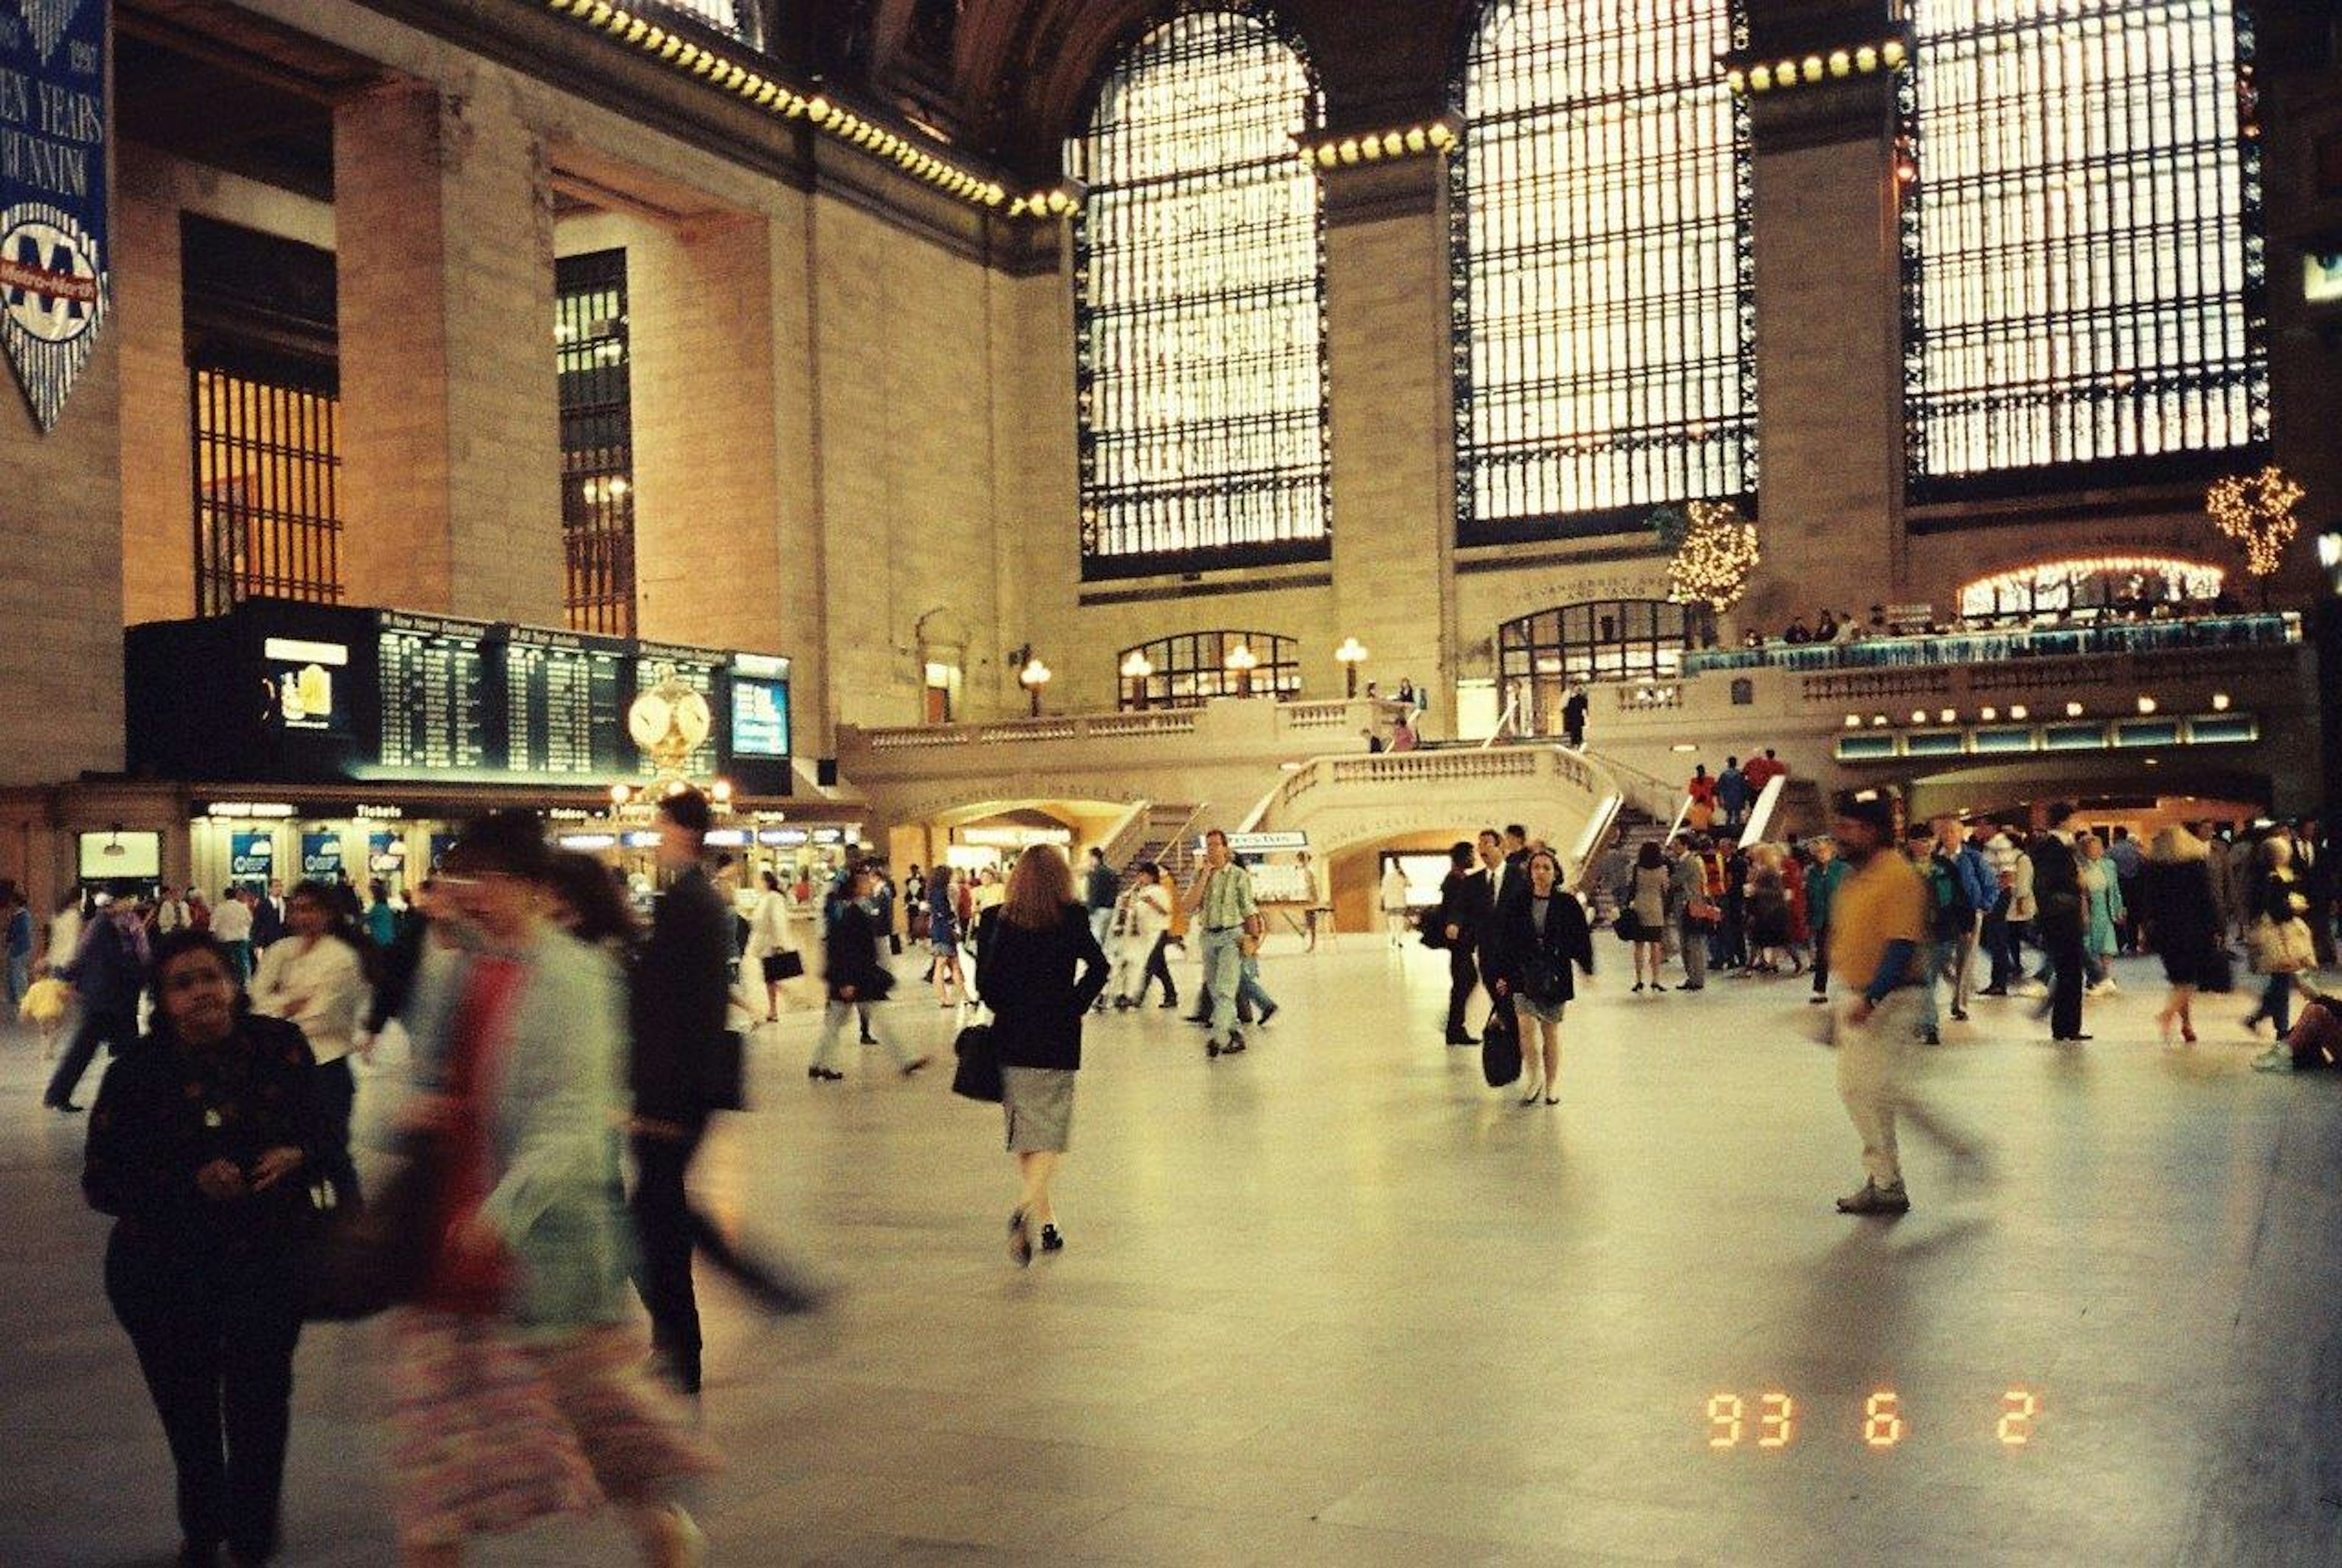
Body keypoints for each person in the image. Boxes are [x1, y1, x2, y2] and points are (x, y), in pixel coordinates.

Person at [390, 811, 714, 1567]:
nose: (469, 896)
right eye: (459, 877)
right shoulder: (454, 967)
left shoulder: (577, 976)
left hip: (542, 1253)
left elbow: (573, 1116)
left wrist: (503, 1213)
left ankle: (666, 1535)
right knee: (433, 1482)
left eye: (487, 880)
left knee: (602, 1430)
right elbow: (423, 1077)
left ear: (535, 891)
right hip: (447, 1258)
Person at [84, 931, 326, 1568]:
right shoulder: (135, 1075)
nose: (201, 994)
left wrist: (298, 1154)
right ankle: (202, 1529)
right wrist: (188, 1182)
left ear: (235, 983)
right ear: (161, 1002)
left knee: (260, 1405)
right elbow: (101, 1181)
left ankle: (250, 1538)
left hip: (267, 1264)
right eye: (183, 984)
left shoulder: (281, 1050)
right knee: (189, 1415)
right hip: (165, 1274)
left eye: (211, 977)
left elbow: (324, 1129)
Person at [975, 848, 1109, 1264]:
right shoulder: (1071, 916)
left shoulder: (995, 918)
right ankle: (1023, 1211)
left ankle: (1047, 1220)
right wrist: (1073, 1004)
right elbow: (1100, 967)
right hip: (1056, 1036)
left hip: (1012, 1038)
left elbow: (985, 985)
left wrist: (1013, 1008)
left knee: (1026, 1134)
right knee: (1049, 1133)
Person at [1826, 794, 1932, 1215]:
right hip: (1861, 995)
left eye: (1850, 828)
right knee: (1865, 1090)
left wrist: (1871, 997)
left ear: (1873, 831)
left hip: (1891, 997)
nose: (1841, 836)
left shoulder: (1897, 876)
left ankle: (1889, 1181)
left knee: (1868, 1090)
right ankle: (1886, 1179)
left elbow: (1901, 943)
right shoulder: (1856, 876)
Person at [248, 880, 371, 1207]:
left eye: (311, 909)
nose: (302, 917)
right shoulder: (280, 951)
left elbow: (321, 1015)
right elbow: (256, 1001)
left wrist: (282, 1005)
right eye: (297, 909)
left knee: (331, 1153)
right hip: (283, 1069)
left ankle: (352, 1221)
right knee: (288, 1154)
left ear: (328, 914)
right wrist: (289, 1005)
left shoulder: (341, 958)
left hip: (327, 1068)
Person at [1487, 848, 1595, 1105]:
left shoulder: (1567, 903)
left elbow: (1580, 938)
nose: (1541, 872)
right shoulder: (1518, 903)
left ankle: (1552, 1084)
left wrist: (1586, 967)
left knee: (1550, 1032)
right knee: (1525, 1027)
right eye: (1536, 867)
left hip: (1554, 975)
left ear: (1555, 872)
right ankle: (1533, 1077)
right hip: (1522, 972)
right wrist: (1501, 974)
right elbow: (1505, 940)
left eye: (1547, 867)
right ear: (1530, 872)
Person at [811, 862, 928, 1080]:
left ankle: (819, 1063)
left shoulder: (848, 910)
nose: (867, 884)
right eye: (862, 881)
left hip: (855, 977)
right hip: (856, 978)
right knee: (874, 1018)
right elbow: (845, 949)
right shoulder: (850, 913)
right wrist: (847, 981)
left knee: (838, 1022)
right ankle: (905, 1060)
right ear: (854, 887)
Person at [45, 897, 151, 1113]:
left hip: (110, 996)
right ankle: (58, 1094)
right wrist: (143, 974)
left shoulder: (109, 923)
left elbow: (87, 955)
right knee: (90, 1049)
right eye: (127, 901)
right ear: (117, 902)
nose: (130, 905)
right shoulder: (104, 925)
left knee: (115, 1048)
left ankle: (59, 1094)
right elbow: (105, 957)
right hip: (103, 998)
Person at [2141, 824, 2222, 1048]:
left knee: (2179, 979)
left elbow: (2148, 902)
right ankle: (2168, 1014)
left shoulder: (2153, 868)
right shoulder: (2195, 866)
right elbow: (2207, 899)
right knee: (2190, 979)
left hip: (2165, 931)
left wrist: (2147, 929)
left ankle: (2187, 1024)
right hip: (2194, 928)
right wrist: (2216, 927)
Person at [1186, 828, 1261, 1059]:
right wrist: (1206, 874)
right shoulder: (1201, 875)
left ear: (1226, 848)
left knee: (1227, 990)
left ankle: (1217, 1037)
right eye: (1208, 846)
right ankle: (1234, 1034)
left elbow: (1248, 908)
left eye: (1216, 845)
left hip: (1232, 937)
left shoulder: (1239, 875)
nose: (1212, 849)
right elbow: (1190, 905)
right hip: (1208, 937)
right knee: (1215, 990)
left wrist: (1254, 938)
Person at [2243, 834, 2315, 1062]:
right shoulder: (2272, 877)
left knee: (2281, 981)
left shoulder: (2268, 875)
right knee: (2282, 982)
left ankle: (2261, 1019)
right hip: (2279, 936)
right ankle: (2280, 1028)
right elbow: (2277, 909)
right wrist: (2294, 908)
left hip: (2279, 935)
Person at [2030, 804, 2090, 1042]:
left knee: (2070, 971)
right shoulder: (2054, 848)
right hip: (2061, 917)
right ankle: (2067, 1027)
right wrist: (2076, 884)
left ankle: (2065, 1027)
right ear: (2065, 821)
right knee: (2071, 972)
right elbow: (2049, 883)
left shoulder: (2056, 847)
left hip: (2060, 916)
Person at [1115, 862, 1176, 1009]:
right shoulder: (1141, 891)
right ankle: (1171, 995)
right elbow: (1136, 910)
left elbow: (1167, 911)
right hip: (1146, 933)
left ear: (1151, 876)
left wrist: (1152, 903)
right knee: (1160, 968)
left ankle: (1138, 996)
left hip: (1159, 931)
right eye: (1140, 875)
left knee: (1149, 965)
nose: (1141, 878)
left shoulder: (1160, 891)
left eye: (1144, 875)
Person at [745, 868, 801, 1022]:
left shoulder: (774, 898)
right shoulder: (765, 898)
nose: (756, 883)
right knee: (770, 979)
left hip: (771, 944)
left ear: (767, 882)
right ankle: (775, 1008)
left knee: (770, 978)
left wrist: (779, 943)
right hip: (764, 945)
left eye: (759, 880)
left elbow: (779, 922)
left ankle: (785, 1003)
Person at [2080, 834, 2125, 996]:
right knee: (2090, 944)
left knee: (2107, 945)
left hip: (2105, 908)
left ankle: (2105, 975)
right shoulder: (2080, 867)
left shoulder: (2109, 865)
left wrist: (2120, 909)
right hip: (2088, 909)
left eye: (2098, 847)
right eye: (2092, 848)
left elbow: (2115, 889)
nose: (2096, 851)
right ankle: (2093, 977)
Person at [1805, 836, 1846, 1003]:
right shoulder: (1812, 872)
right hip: (1821, 919)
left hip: (1841, 918)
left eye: (1824, 851)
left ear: (1832, 851)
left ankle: (1855, 987)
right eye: (1818, 852)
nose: (1821, 854)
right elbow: (1810, 896)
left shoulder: (1843, 870)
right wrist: (1809, 919)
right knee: (1822, 955)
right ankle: (1819, 990)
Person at [1627, 840, 1672, 995]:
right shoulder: (1662, 870)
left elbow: (1631, 887)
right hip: (1655, 908)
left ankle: (1639, 980)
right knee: (1655, 945)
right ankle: (1656, 980)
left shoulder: (1636, 869)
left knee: (1639, 946)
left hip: (1639, 908)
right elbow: (1666, 888)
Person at [1668, 835, 1710, 991]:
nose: (1673, 848)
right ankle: (1693, 977)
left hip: (1689, 906)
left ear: (1685, 846)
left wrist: (1667, 878)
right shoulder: (1687, 861)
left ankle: (1696, 978)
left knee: (1692, 942)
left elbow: (1675, 882)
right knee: (1689, 942)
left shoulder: (1688, 862)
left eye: (1676, 845)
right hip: (1691, 904)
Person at [1081, 848, 1120, 1007]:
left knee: (1097, 946)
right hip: (1111, 910)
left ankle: (1100, 993)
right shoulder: (1111, 872)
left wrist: (1089, 912)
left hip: (1099, 912)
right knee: (1106, 945)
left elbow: (1093, 895)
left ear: (1094, 857)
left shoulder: (1095, 873)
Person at [927, 867, 966, 1007]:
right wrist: (954, 925)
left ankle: (966, 997)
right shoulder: (940, 893)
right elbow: (946, 912)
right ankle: (944, 999)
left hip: (941, 931)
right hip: (943, 932)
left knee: (955, 965)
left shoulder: (934, 892)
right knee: (941, 965)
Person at [2107, 826, 2146, 954]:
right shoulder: (2136, 851)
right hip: (2135, 887)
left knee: (2118, 915)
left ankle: (2120, 943)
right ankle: (2133, 944)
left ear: (2117, 835)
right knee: (2133, 917)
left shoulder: (2111, 852)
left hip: (2119, 886)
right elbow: (2143, 867)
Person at [211, 886, 255, 983]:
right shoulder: (242, 907)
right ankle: (244, 982)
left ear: (225, 896)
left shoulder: (220, 908)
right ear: (235, 895)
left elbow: (213, 925)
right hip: (241, 937)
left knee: (226, 961)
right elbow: (250, 921)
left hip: (224, 939)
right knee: (242, 961)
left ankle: (229, 980)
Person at [1380, 857, 1412, 948]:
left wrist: (1382, 902)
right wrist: (1404, 875)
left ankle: (1393, 936)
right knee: (1400, 921)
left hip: (1389, 902)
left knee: (1392, 921)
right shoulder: (1402, 876)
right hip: (1400, 902)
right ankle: (1399, 939)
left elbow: (1382, 891)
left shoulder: (1386, 877)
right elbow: (1410, 884)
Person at [1716, 757, 1750, 832]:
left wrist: (1719, 800)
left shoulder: (1724, 775)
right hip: (1739, 798)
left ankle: (1728, 832)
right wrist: (1746, 798)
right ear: (1736, 764)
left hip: (1728, 798)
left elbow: (1719, 788)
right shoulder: (1740, 775)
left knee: (1729, 815)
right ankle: (1737, 832)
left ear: (1728, 764)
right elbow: (1744, 787)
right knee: (1738, 816)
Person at [365, 879, 401, 949]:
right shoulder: (385, 907)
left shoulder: (377, 908)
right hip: (390, 938)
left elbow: (367, 919)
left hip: (380, 940)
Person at [1561, 686, 1588, 750]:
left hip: (1576, 719)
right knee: (1575, 734)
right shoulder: (1569, 696)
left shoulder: (1581, 698)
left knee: (1577, 734)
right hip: (1573, 719)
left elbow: (1586, 707)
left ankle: (1577, 745)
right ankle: (1575, 745)